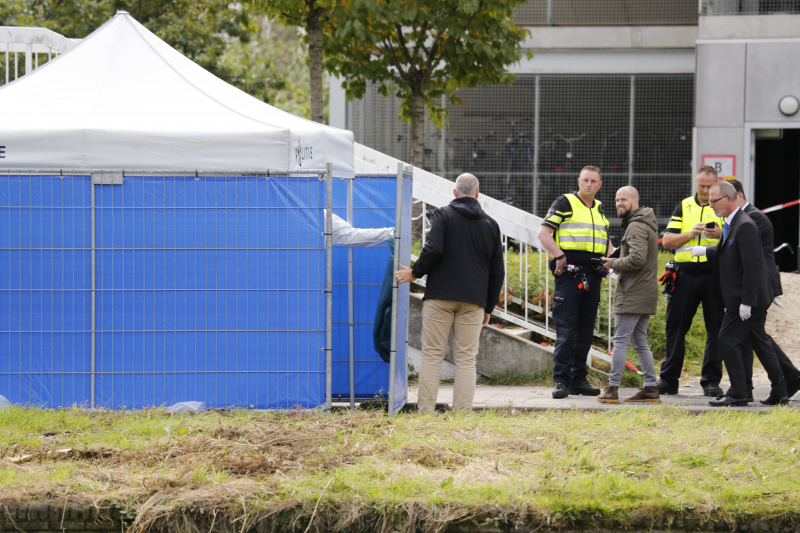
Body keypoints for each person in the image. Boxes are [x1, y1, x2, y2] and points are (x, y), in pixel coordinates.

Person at [395, 173, 504, 412]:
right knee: (466, 359)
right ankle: (462, 414)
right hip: (474, 300)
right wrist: (488, 307)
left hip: (440, 297)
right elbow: (498, 271)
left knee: (433, 355)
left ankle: (425, 412)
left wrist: (415, 272)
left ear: (455, 193)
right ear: (477, 193)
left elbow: (433, 249)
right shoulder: (491, 225)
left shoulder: (443, 214)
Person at [692, 180, 788, 406]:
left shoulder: (744, 225)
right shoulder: (732, 223)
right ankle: (781, 390)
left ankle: (738, 392)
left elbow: (752, 266)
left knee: (726, 339)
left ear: (728, 199)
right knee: (760, 341)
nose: (711, 205)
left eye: (714, 201)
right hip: (740, 297)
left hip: (747, 298)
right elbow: (731, 258)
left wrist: (747, 302)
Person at [537, 166, 610, 399]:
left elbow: (606, 245)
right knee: (567, 332)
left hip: (593, 278)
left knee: (585, 333)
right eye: (585, 180)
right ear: (578, 181)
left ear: (600, 185)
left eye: (593, 181)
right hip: (570, 277)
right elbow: (543, 233)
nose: (589, 184)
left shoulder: (599, 210)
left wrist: (613, 260)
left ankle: (578, 380)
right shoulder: (565, 203)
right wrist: (559, 256)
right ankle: (561, 381)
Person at [727, 180, 800, 401]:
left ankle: (780, 381)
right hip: (758, 283)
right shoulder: (746, 217)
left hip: (759, 283)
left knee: (754, 336)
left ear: (738, 196)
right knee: (756, 335)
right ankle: (783, 380)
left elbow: (747, 253)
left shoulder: (753, 217)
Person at [658, 166, 725, 397]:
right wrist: (690, 233)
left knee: (716, 329)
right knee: (675, 328)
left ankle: (710, 381)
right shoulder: (684, 206)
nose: (706, 191)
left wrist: (720, 235)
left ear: (717, 185)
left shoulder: (723, 207)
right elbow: (666, 241)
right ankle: (668, 380)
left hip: (714, 275)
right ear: (696, 184)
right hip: (684, 275)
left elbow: (739, 238)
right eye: (702, 186)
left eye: (710, 186)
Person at [597, 186, 660, 403]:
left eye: (623, 199)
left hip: (633, 292)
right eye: (616, 200)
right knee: (639, 341)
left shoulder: (636, 226)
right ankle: (651, 388)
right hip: (645, 291)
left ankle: (612, 389)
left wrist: (611, 263)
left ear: (635, 202)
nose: (619, 203)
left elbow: (637, 259)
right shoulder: (645, 223)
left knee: (621, 340)